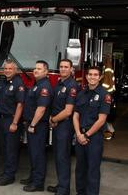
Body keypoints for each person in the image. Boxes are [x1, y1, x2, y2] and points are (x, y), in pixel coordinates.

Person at [73, 66, 111, 195]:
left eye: (95, 75)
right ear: (86, 76)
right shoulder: (81, 93)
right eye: (90, 74)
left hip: (94, 138)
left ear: (100, 77)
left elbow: (101, 120)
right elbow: (75, 115)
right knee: (80, 169)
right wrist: (79, 134)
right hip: (80, 136)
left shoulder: (104, 95)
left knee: (92, 170)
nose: (92, 77)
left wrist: (86, 135)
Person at [47, 59, 79, 195]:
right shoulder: (59, 83)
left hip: (65, 126)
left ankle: (64, 190)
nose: (63, 69)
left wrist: (53, 119)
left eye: (66, 67)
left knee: (63, 157)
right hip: (57, 125)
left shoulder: (72, 85)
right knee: (58, 156)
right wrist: (52, 119)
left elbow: (68, 111)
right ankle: (61, 185)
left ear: (71, 69)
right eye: (61, 66)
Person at [22, 60, 53, 192]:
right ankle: (33, 177)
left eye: (39, 69)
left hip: (38, 126)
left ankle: (38, 183)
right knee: (32, 153)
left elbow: (41, 109)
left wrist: (33, 124)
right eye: (35, 68)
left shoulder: (44, 86)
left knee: (38, 154)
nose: (35, 70)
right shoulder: (37, 85)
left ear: (46, 72)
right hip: (31, 124)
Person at [0, 59, 25, 186]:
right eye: (5, 68)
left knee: (11, 149)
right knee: (4, 148)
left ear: (15, 70)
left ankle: (10, 175)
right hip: (2, 119)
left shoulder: (18, 83)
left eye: (10, 69)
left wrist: (14, 123)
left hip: (11, 120)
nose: (7, 71)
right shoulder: (4, 82)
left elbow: (20, 105)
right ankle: (6, 172)